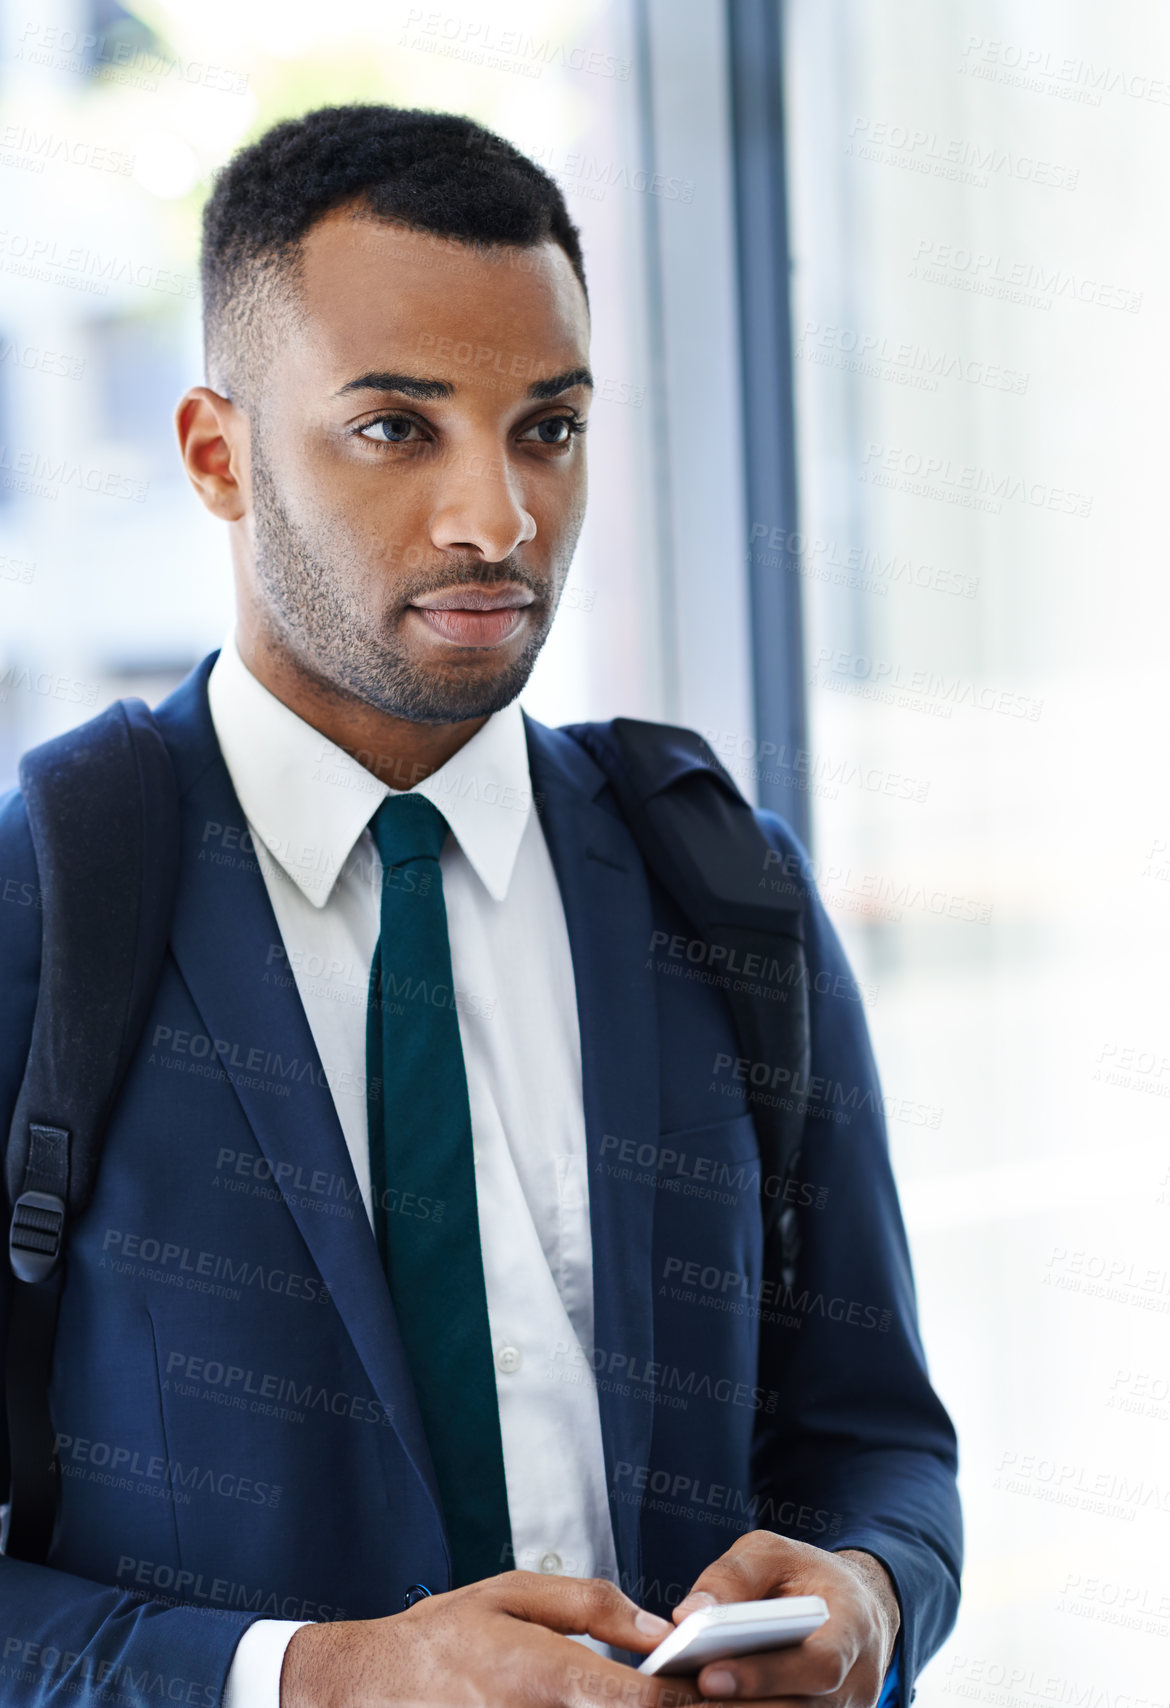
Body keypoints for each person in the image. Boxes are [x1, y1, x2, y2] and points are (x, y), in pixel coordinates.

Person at [0, 106, 960, 1708]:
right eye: (395, 427)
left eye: (548, 429)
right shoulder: (46, 905)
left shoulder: (724, 892)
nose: (496, 520)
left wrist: (866, 1596)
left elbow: (878, 1445)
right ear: (216, 454)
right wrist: (307, 1680)